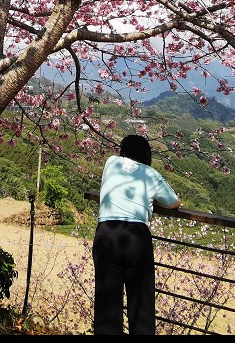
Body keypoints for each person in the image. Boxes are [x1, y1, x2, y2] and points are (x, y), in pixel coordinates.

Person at [93, 134, 181, 335]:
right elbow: (173, 202)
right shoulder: (151, 175)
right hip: (136, 239)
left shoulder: (111, 162)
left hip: (107, 234)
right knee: (141, 304)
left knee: (107, 303)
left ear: (123, 151)